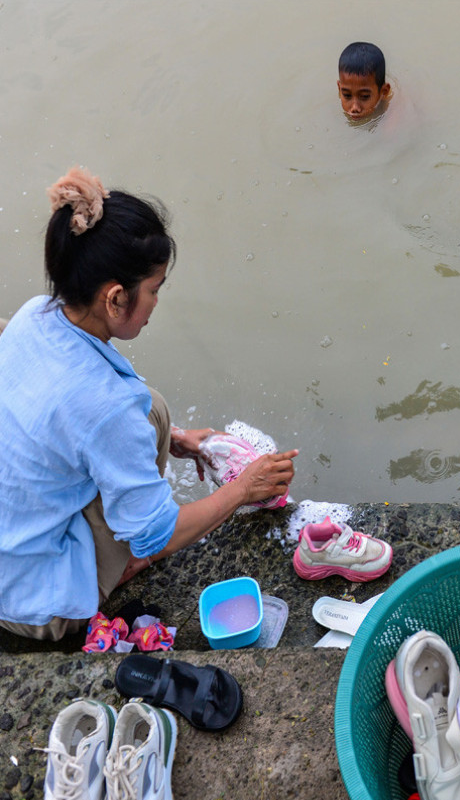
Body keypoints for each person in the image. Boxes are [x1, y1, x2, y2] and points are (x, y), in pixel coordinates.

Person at [0, 166, 297, 642]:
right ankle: (101, 585)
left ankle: (156, 457)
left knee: (152, 409)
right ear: (115, 299)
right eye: (154, 290)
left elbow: (71, 417)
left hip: (10, 545)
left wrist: (175, 437)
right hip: (35, 605)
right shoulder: (107, 408)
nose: (157, 301)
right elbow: (157, 535)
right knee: (148, 521)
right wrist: (244, 488)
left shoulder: (35, 315)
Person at [337, 42, 391, 122]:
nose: (355, 108)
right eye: (347, 95)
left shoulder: (392, 120)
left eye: (364, 96)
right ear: (339, 88)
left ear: (384, 92)